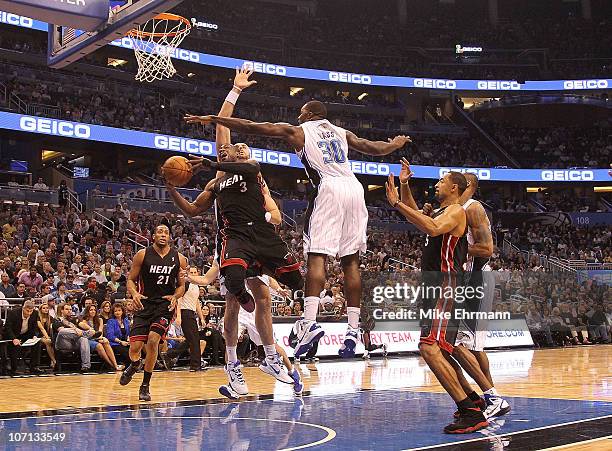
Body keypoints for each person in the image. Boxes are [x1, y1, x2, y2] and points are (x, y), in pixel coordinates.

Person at [185, 93, 410, 359]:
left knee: (317, 257)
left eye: (302, 112)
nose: (298, 116)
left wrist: (214, 119)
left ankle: (309, 322)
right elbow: (372, 147)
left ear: (311, 114)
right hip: (354, 188)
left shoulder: (300, 131)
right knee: (351, 262)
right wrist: (394, 144)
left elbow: (257, 127)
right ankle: (352, 328)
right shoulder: (342, 132)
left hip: (329, 188)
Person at [170, 69, 302, 394]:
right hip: (231, 241)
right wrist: (234, 90)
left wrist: (272, 217)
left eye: (245, 148)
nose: (239, 149)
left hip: (256, 240)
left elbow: (273, 208)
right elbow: (222, 125)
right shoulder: (220, 171)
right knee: (232, 300)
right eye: (235, 148)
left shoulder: (256, 176)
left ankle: (270, 356)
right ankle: (232, 367)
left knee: (265, 297)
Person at [385, 169, 489, 434]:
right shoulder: (442, 212)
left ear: (454, 188)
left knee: (429, 348)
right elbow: (420, 216)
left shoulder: (456, 212)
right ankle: (474, 399)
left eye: (442, 181)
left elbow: (429, 226)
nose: (436, 184)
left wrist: (396, 203)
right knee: (441, 348)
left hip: (445, 287)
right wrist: (405, 186)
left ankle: (470, 411)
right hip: (435, 288)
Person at [417, 170, 510, 419]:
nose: (443, 183)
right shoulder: (450, 209)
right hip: (456, 281)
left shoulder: (472, 207)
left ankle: (493, 397)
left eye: (448, 181)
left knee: (464, 344)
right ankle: (480, 398)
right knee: (447, 347)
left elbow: (487, 249)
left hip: (475, 278)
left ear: (465, 185)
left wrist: (455, 242)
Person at [119, 223, 187, 402]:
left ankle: (145, 385)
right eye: (159, 232)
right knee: (134, 348)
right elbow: (131, 280)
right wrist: (134, 293)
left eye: (166, 232)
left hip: (164, 305)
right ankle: (134, 365)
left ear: (170, 236)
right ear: (153, 236)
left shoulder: (179, 259)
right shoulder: (142, 255)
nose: (163, 234)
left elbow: (181, 286)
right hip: (144, 303)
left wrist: (175, 296)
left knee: (153, 340)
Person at [52, 302, 96, 372]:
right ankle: (85, 334)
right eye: (67, 309)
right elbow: (61, 330)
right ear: (62, 310)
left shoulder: (73, 319)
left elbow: (81, 324)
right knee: (62, 332)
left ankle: (86, 366)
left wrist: (90, 329)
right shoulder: (57, 319)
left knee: (83, 339)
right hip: (62, 342)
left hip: (73, 342)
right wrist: (76, 329)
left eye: (70, 309)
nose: (69, 311)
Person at [4, 300, 42, 375]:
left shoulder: (35, 313)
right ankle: (14, 368)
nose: (29, 313)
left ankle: (34, 367)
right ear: (23, 308)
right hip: (14, 335)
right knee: (15, 346)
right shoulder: (13, 313)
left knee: (37, 343)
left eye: (31, 311)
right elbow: (7, 327)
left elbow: (34, 327)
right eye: (27, 311)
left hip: (26, 335)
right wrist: (14, 338)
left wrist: (34, 336)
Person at [79, 304, 122, 371]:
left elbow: (100, 332)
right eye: (91, 310)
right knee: (99, 345)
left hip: (97, 338)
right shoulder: (84, 321)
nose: (93, 311)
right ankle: (112, 365)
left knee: (105, 342)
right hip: (87, 340)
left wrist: (101, 338)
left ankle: (115, 364)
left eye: (94, 310)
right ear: (87, 311)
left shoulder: (100, 320)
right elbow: (87, 334)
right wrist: (92, 331)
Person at [37, 302, 56, 369]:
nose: (46, 309)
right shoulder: (38, 317)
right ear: (40, 309)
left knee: (52, 341)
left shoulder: (50, 318)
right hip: (38, 336)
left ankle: (52, 361)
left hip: (48, 336)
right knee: (48, 342)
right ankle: (54, 360)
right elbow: (42, 329)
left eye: (47, 308)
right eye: (44, 308)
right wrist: (47, 337)